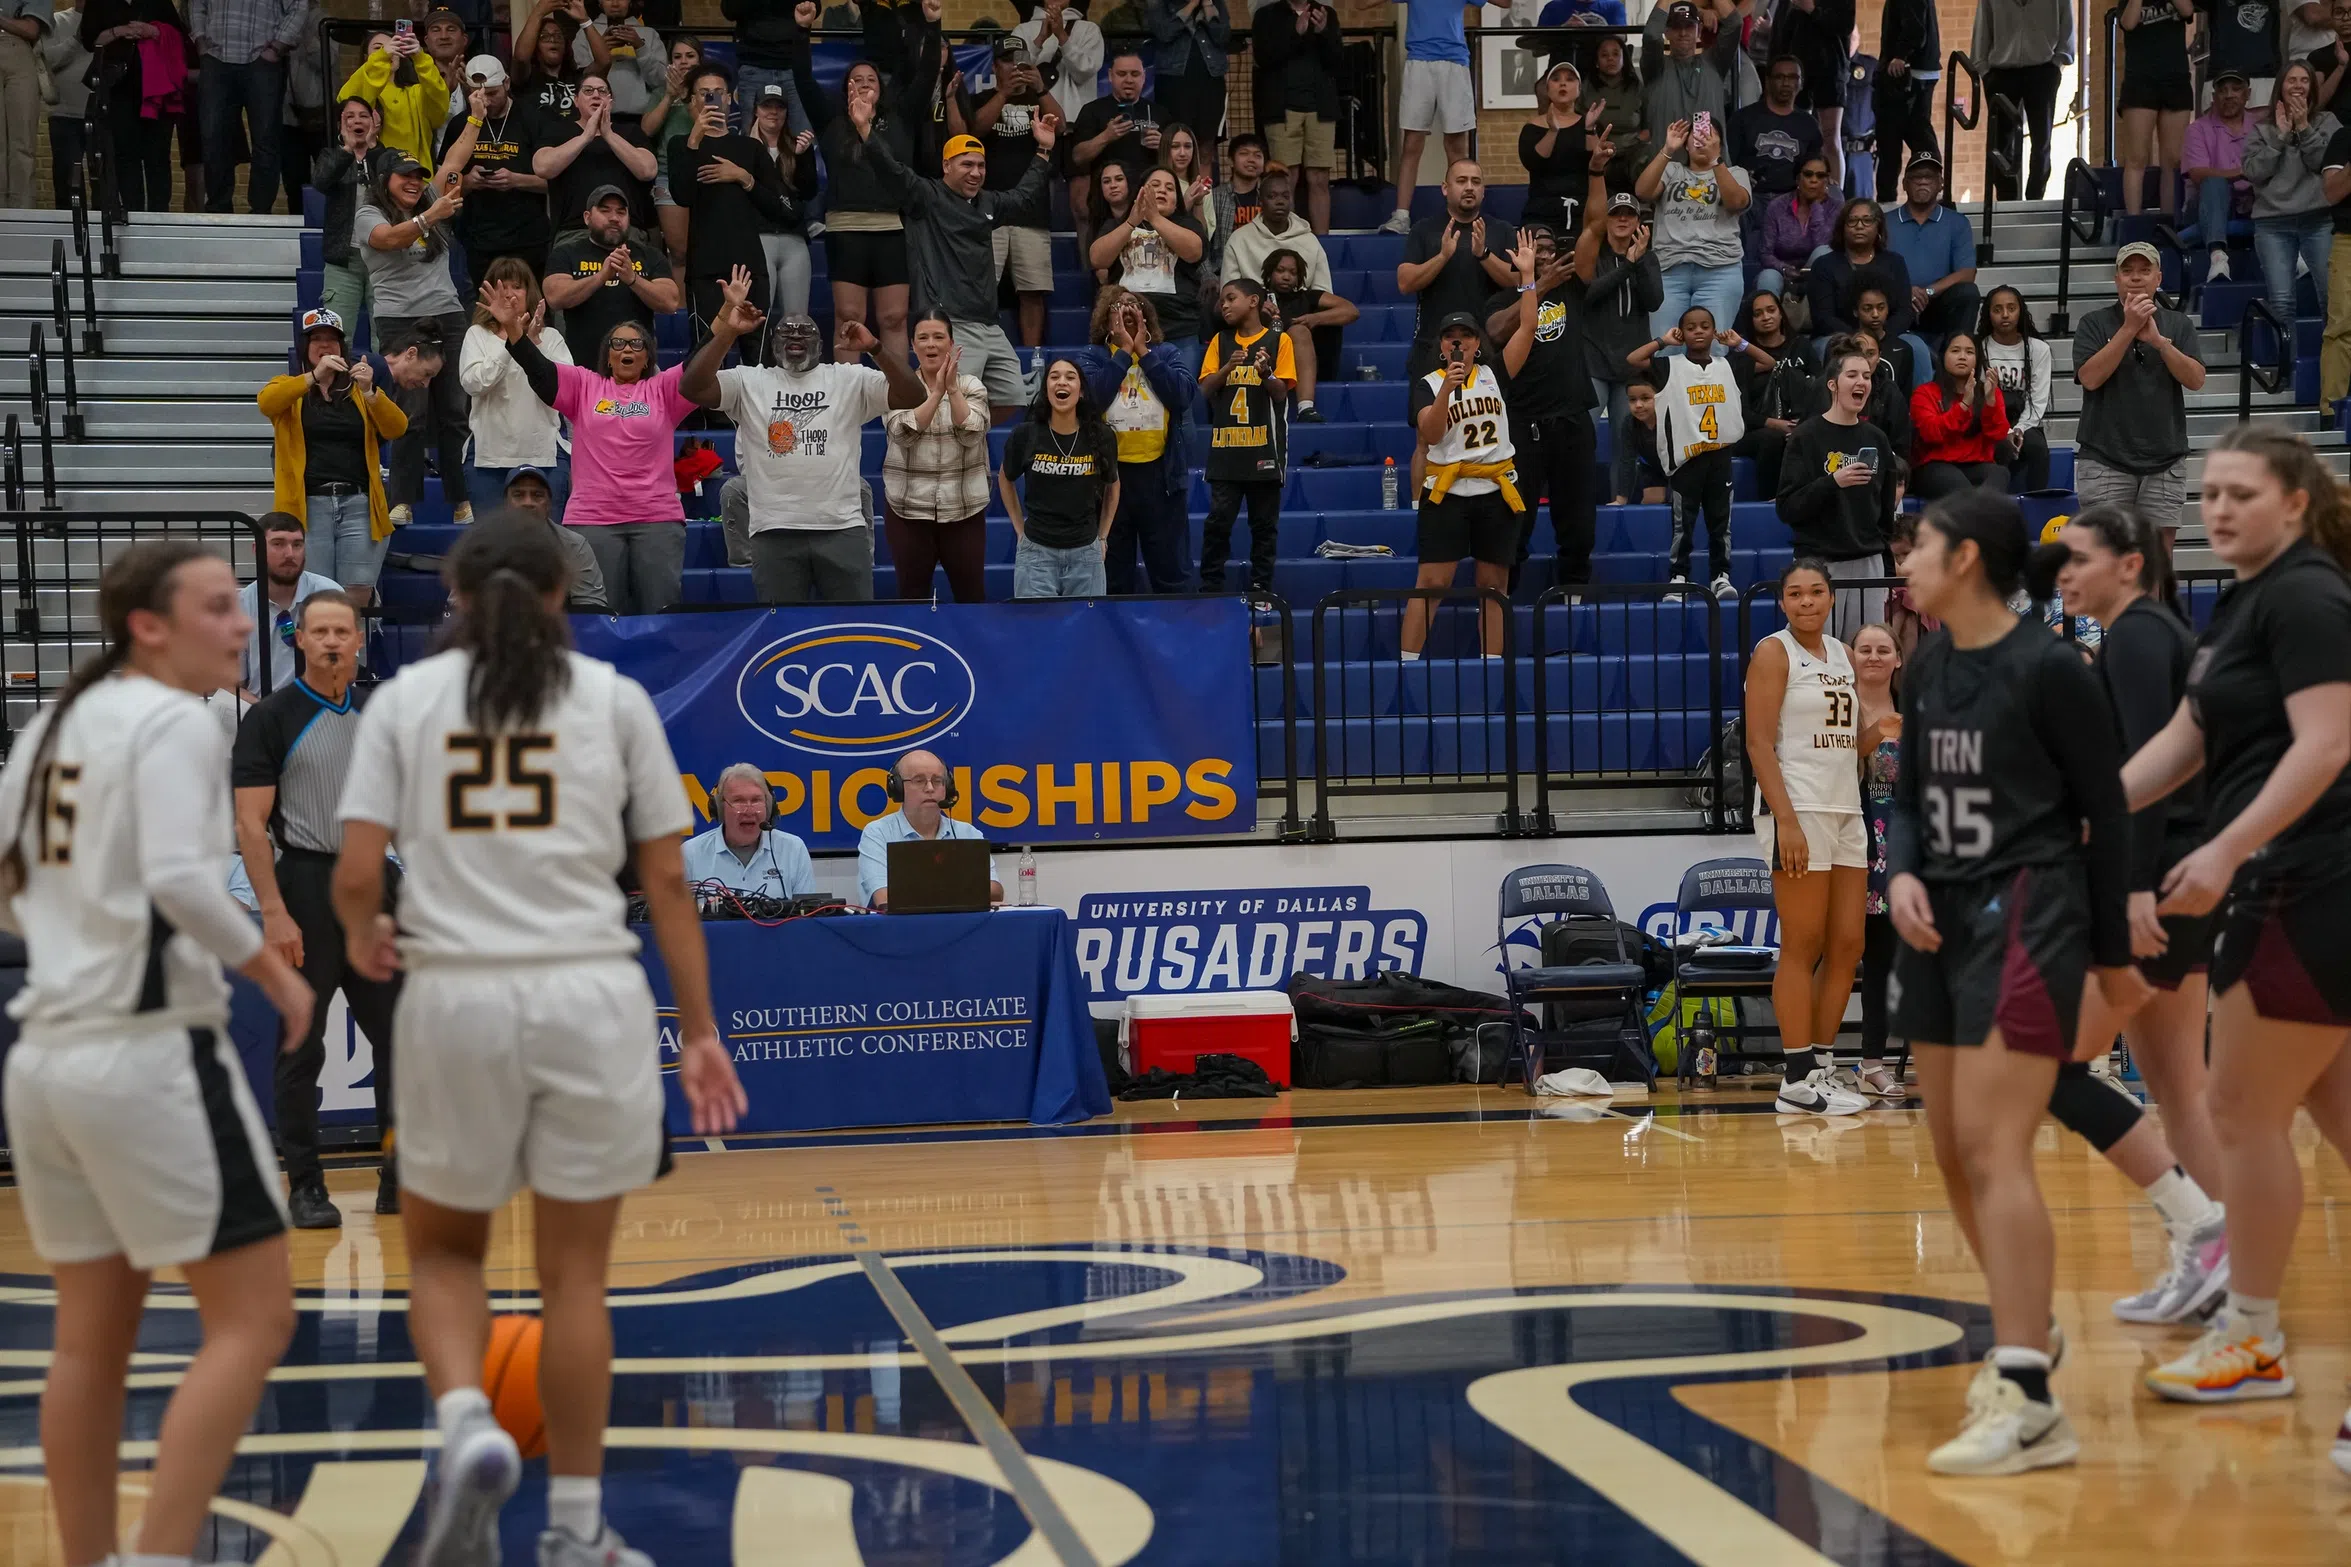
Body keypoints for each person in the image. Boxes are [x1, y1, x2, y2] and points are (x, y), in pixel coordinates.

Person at [331, 515, 744, 1565]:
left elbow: (353, 869)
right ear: (565, 590)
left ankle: (469, 1422)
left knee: (443, 1253)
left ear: (456, 598)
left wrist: (362, 931)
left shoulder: (404, 701)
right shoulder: (613, 702)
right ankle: (572, 1528)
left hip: (453, 996)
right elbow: (664, 882)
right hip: (585, 995)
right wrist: (699, 1031)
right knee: (573, 1283)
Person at [0, 544, 311, 1567]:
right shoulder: (176, 717)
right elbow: (183, 880)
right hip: (146, 1053)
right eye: (217, 607)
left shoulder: (48, 726)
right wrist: (272, 969)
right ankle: (165, 1553)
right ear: (149, 625)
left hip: (46, 1056)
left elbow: (10, 885)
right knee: (257, 1316)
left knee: (88, 1342)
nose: (237, 624)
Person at [1885, 490, 2135, 1475]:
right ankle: (2022, 1326)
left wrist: (2112, 964)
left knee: (1995, 1146)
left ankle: (2029, 1395)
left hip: (2029, 910)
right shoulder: (1930, 659)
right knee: (1950, 1150)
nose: (1902, 562)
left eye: (1919, 548)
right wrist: (1900, 868)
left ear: (1969, 561)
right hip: (1934, 916)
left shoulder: (2050, 669)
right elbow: (1906, 794)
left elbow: (2107, 817)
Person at [2116, 433, 2351, 1431]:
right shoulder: (2244, 601)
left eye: (2239, 493)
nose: (2215, 508)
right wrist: (2080, 813)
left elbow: (2330, 741)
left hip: (2307, 880)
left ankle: (2251, 1336)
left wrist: (2223, 849)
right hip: (2296, 880)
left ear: (2293, 503)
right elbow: (2188, 739)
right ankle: (2250, 1334)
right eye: (2206, 492)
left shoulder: (2304, 595)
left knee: (2238, 1110)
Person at [2048, 505, 2231, 1306]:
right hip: (2178, 874)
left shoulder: (2135, 636)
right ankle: (2222, 1263)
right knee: (2177, 1087)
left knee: (2053, 1066)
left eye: (2079, 558)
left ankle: (2203, 1234)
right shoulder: (2152, 632)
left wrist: (2124, 891)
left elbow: (2152, 778)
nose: (2065, 574)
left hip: (2154, 880)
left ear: (2128, 565)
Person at [228, 588, 401, 1229]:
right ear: (297, 639)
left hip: (377, 885)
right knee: (302, 1045)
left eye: (342, 631)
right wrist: (273, 912)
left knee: (400, 1040)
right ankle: (305, 1185)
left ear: (359, 640)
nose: (331, 641)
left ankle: (398, 1176)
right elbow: (250, 826)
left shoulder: (382, 713)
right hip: (304, 882)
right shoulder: (271, 717)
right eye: (319, 631)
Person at [685, 268, 925, 603]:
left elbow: (914, 396)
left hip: (842, 530)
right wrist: (728, 334)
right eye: (786, 331)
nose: (795, 335)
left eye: (805, 332)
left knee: (852, 630)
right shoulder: (749, 380)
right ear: (772, 343)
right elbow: (691, 387)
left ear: (821, 344)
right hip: (773, 532)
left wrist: (875, 348)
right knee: (781, 636)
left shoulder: (849, 378)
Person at [1745, 561, 1872, 1117]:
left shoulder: (1842, 653)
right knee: (1802, 941)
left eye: (1816, 592)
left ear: (1832, 598)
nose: (1806, 602)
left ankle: (1822, 1065)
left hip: (1846, 807)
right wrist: (1787, 820)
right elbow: (1756, 744)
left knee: (1847, 943)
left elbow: (1847, 744)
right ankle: (1795, 1078)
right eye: (1795, 593)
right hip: (1797, 809)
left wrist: (1881, 733)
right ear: (1782, 602)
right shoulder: (1773, 653)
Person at [492, 297, 692, 614]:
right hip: (593, 521)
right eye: (618, 344)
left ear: (647, 358)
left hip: (656, 519)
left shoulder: (664, 389)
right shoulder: (585, 385)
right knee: (598, 616)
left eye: (636, 344)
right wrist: (515, 333)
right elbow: (541, 372)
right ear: (608, 357)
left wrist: (724, 324)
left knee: (661, 616)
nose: (627, 349)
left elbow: (700, 365)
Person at [861, 121, 1056, 419]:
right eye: (966, 164)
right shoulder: (925, 197)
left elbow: (1024, 197)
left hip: (990, 324)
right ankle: (947, 458)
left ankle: (972, 443)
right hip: (950, 323)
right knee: (947, 404)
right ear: (946, 165)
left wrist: (1043, 150)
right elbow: (892, 170)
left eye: (981, 165)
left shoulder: (988, 201)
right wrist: (865, 131)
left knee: (1011, 395)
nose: (975, 172)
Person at [1404, 288, 1537, 660]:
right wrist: (1448, 385)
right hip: (1447, 492)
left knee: (1494, 586)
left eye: (1465, 335)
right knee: (1431, 584)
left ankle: (1491, 668)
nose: (1457, 341)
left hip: (1496, 490)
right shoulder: (1427, 384)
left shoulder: (1495, 373)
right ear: (1442, 346)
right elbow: (1430, 435)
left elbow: (1528, 325)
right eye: (1450, 336)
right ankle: (1406, 666)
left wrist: (1528, 278)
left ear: (1477, 343)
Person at [356, 129, 475, 530]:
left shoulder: (429, 199)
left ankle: (461, 498)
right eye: (404, 175)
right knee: (411, 412)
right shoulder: (368, 213)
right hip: (402, 318)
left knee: (455, 411)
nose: (414, 182)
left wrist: (475, 116)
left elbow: (456, 159)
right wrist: (429, 218)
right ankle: (404, 499)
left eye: (418, 175)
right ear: (384, 179)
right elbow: (388, 239)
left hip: (448, 314)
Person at [259, 307, 411, 609]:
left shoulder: (358, 390)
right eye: (316, 339)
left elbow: (397, 427)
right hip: (309, 507)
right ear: (305, 348)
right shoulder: (288, 389)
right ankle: (314, 657)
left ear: (343, 347)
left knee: (356, 597)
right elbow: (266, 402)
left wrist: (370, 392)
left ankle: (355, 658)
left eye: (332, 339)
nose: (325, 345)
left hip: (359, 505)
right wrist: (314, 377)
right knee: (316, 597)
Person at [1482, 222, 1600, 592]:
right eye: (1534, 246)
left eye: (1549, 246)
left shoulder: (1573, 288)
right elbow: (1497, 333)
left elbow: (1594, 226)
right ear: (1517, 257)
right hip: (1521, 423)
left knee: (1578, 518)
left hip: (1572, 418)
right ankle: (1506, 593)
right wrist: (1538, 286)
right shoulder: (1500, 300)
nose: (1544, 252)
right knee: (1517, 517)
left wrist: (1596, 171)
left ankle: (1574, 588)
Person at [2073, 241, 2206, 526]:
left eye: (2145, 270)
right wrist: (2129, 328)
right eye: (2127, 270)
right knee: (2106, 554)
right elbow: (2090, 378)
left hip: (2165, 461)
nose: (2135, 277)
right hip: (2105, 458)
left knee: (2158, 559)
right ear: (2116, 278)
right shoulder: (2092, 323)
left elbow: (2196, 380)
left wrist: (2159, 343)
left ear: (2158, 278)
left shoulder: (2179, 324)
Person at [1629, 304, 1757, 597]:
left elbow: (1768, 362)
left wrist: (1740, 344)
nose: (1698, 331)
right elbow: (1633, 359)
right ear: (1681, 333)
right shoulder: (1668, 365)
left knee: (1719, 522)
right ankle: (1679, 578)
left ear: (1714, 331)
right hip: (1686, 459)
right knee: (1682, 524)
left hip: (1720, 455)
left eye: (1704, 326)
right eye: (1690, 327)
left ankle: (1720, 576)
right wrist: (1663, 341)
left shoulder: (1727, 365)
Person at [1777, 335, 1898, 639]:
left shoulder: (1877, 439)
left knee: (1865, 653)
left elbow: (1886, 506)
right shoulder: (1806, 437)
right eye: (1853, 375)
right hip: (1819, 564)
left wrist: (1877, 546)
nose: (1862, 382)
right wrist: (1832, 482)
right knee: (1818, 655)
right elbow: (1788, 507)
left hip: (1867, 563)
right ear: (1832, 384)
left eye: (1867, 376)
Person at [670, 60, 791, 361]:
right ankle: (711, 413)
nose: (711, 99)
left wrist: (743, 177)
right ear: (693, 100)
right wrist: (695, 139)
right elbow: (682, 194)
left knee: (758, 358)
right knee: (707, 357)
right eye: (703, 93)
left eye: (717, 92)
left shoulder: (750, 149)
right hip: (705, 269)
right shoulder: (680, 145)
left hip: (750, 266)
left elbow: (781, 209)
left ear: (728, 99)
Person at [1080, 289, 1194, 594]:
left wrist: (1144, 352)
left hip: (1161, 477)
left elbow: (1182, 397)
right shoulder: (1092, 357)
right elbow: (1090, 403)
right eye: (1119, 305)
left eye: (1135, 305)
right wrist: (1122, 353)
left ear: (1147, 316)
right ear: (1106, 319)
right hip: (1110, 479)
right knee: (1113, 576)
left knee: (1171, 572)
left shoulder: (1166, 353)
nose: (1127, 309)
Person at [813, 59, 917, 373]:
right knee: (848, 315)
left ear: (881, 87)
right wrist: (802, 31)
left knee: (894, 317)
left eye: (871, 77)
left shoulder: (898, 121)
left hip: (891, 228)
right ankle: (847, 398)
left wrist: (932, 21)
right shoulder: (832, 122)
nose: (864, 82)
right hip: (845, 229)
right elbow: (803, 79)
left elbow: (924, 76)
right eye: (856, 78)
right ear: (846, 87)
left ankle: (897, 396)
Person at [882, 310, 993, 604]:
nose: (931, 344)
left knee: (972, 598)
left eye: (938, 337)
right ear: (912, 345)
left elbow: (972, 433)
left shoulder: (971, 386)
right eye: (923, 338)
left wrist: (952, 390)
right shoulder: (897, 386)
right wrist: (935, 394)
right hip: (908, 512)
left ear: (952, 343)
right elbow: (902, 434)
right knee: (911, 598)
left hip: (964, 510)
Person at [1197, 279, 1293, 595]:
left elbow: (1281, 394)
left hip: (1264, 448)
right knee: (1217, 523)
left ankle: (1260, 590)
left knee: (1264, 526)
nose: (1223, 305)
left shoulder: (1280, 341)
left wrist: (1266, 373)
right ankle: (1211, 586)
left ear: (1253, 301)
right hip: (1226, 449)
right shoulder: (1220, 341)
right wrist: (1227, 368)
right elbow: (1204, 389)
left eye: (1230, 298)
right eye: (1221, 301)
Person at [1000, 357, 1123, 598]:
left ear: (1081, 390)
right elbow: (1005, 479)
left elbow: (1113, 485)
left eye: (1070, 377)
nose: (1061, 382)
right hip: (1036, 552)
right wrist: (1019, 531)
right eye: (1054, 377)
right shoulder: (1025, 434)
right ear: (1046, 389)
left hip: (1086, 554)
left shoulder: (1101, 436)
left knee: (1084, 633)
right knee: (1037, 632)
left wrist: (1103, 537)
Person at [966, 40, 1056, 359]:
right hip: (989, 209)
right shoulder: (981, 99)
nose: (1014, 68)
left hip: (1032, 211)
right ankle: (979, 352)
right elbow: (974, 131)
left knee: (1033, 291)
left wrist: (1041, 88)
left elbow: (1061, 125)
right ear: (994, 67)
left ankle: (1032, 358)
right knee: (981, 290)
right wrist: (1003, 93)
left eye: (1021, 61)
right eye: (1007, 61)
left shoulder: (1038, 98)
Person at [463, 260, 573, 518]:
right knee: (492, 548)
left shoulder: (551, 338)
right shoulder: (477, 335)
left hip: (544, 455)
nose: (510, 293)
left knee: (546, 545)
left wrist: (531, 346)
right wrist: (515, 342)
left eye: (518, 286)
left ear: (530, 293)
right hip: (488, 458)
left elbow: (564, 389)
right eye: (503, 287)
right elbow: (474, 384)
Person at [436, 55, 555, 289]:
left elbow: (557, 182)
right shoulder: (461, 123)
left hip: (528, 236)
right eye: (478, 95)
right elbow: (444, 183)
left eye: (492, 93)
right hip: (480, 237)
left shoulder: (534, 117)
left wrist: (516, 180)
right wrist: (467, 182)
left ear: (507, 84)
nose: (486, 102)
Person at [1635, 115, 1750, 344]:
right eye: (1695, 135)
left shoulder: (1736, 172)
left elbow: (1736, 202)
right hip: (1669, 270)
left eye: (1708, 135)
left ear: (1720, 142)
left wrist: (1715, 161)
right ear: (1685, 143)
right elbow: (1643, 192)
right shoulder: (1671, 170)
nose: (1701, 140)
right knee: (1666, 350)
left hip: (1720, 270)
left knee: (1714, 349)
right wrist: (1667, 149)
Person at [1399, 160, 1519, 379]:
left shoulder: (1502, 230)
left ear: (1483, 191)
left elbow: (1516, 281)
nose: (1470, 187)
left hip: (1487, 346)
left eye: (1476, 182)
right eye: (1462, 181)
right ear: (1445, 188)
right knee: (1428, 413)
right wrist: (1443, 256)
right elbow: (1405, 282)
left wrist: (1483, 254)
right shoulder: (1424, 229)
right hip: (1433, 345)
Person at [1851, 620, 1906, 1097]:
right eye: (1864, 648)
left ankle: (1875, 1061)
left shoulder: (1915, 710)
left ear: (1897, 659)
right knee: (1857, 958)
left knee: (1892, 962)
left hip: (1907, 850)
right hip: (1855, 845)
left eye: (1882, 649)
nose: (1873, 656)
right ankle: (1825, 1063)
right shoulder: (1840, 709)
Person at [2242, 61, 2338, 334]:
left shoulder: (2328, 122)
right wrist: (2281, 136)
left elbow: (2328, 165)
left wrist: (2305, 129)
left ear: (2312, 88)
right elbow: (2253, 172)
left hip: (2318, 219)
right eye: (2291, 80)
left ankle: (2338, 370)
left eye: (2304, 80)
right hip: (2273, 225)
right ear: (2280, 88)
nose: (2298, 86)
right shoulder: (2262, 129)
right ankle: (2286, 375)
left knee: (2332, 299)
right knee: (2282, 303)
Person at [1579, 189, 1662, 505]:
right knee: (1583, 437)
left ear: (1639, 221)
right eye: (1616, 214)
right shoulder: (1593, 254)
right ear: (1607, 220)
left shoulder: (1647, 257)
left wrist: (1638, 263)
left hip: (1630, 365)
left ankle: (1619, 500)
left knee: (1622, 440)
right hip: (1595, 359)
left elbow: (1655, 300)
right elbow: (1587, 296)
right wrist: (1627, 265)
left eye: (1630, 214)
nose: (1623, 219)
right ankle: (1579, 502)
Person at [543, 184, 681, 363]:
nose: (614, 218)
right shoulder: (566, 253)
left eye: (621, 212)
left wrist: (633, 279)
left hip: (637, 367)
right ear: (587, 217)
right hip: (582, 366)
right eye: (605, 211)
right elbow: (555, 297)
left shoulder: (649, 255)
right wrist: (601, 276)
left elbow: (671, 302)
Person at [189, 0, 300, 213]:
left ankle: (260, 211)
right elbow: (196, 4)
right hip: (215, 58)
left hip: (263, 60)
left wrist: (277, 47)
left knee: (266, 139)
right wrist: (201, 41)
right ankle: (219, 209)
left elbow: (298, 7)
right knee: (213, 137)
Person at [857, 749, 999, 907]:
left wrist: (918, 890)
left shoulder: (968, 833)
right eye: (919, 780)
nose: (930, 788)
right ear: (897, 787)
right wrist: (961, 889)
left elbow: (995, 890)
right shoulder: (878, 833)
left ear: (948, 788)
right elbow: (884, 898)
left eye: (937, 780)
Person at [1381, 0, 1476, 234]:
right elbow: (1362, 6)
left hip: (1455, 62)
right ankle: (1401, 216)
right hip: (1419, 62)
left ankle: (1462, 215)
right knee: (1411, 143)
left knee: (1457, 147)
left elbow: (1505, 3)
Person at [1092, 164, 1210, 349]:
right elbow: (1097, 259)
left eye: (1170, 188)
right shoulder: (1117, 224)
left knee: (1180, 379)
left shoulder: (1187, 224)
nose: (1162, 190)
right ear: (1140, 192)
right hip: (1126, 327)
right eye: (1155, 185)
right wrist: (1132, 222)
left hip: (1179, 327)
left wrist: (1155, 218)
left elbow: (1194, 252)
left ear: (1176, 200)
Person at [534, 70, 658, 239]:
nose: (596, 95)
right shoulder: (558, 130)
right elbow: (542, 168)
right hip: (574, 230)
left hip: (625, 231)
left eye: (602, 91)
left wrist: (608, 134)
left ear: (611, 102)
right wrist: (586, 136)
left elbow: (648, 171)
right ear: (576, 101)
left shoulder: (630, 132)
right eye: (588, 90)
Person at [1972, 0, 2072, 200]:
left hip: (2043, 69)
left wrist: (2058, 62)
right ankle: (2006, 198)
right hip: (2001, 72)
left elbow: (2067, 25)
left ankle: (2035, 197)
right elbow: (1983, 27)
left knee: (2041, 139)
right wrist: (1983, 69)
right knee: (2000, 142)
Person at [1253, 0, 1339, 232]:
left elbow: (1336, 60)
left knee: (1319, 178)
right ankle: (1287, 240)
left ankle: (1322, 243)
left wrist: (1323, 33)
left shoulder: (1326, 13)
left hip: (1320, 107)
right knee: (1285, 179)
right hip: (1282, 109)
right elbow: (1263, 57)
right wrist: (1295, 33)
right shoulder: (1266, 15)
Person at [1068, 47, 1160, 261]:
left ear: (1144, 77)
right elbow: (1078, 156)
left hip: (1146, 200)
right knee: (1103, 267)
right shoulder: (1092, 111)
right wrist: (1106, 136)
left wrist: (1163, 144)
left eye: (1135, 74)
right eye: (1122, 74)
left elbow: (1178, 158)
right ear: (1110, 76)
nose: (1129, 79)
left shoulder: (1157, 112)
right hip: (1105, 201)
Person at [314, 99, 393, 341]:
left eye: (363, 116)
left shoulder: (388, 157)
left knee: (385, 337)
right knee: (338, 336)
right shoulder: (331, 155)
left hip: (383, 260)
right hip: (343, 260)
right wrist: (347, 150)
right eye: (349, 116)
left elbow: (392, 193)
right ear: (341, 124)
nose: (356, 121)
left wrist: (371, 149)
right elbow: (321, 181)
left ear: (374, 122)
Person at [239, 512, 341, 698]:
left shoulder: (329, 594)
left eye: (297, 545)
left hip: (319, 708)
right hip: (261, 711)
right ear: (256, 549)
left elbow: (344, 673)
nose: (290, 554)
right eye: (278, 544)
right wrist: (266, 715)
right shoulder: (240, 605)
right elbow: (232, 685)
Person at [1882, 155, 1978, 348]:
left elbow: (1967, 273)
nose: (1923, 181)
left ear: (1940, 183)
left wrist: (1928, 291)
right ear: (1905, 184)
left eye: (1930, 176)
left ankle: (1957, 359)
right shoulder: (1884, 222)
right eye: (1917, 177)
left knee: (1968, 293)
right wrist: (1904, 292)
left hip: (1937, 304)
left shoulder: (1957, 222)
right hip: (1895, 303)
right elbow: (1874, 267)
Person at [682, 762, 818, 896]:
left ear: (768, 806)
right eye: (738, 801)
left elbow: (807, 916)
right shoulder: (691, 854)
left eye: (756, 800)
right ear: (720, 808)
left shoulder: (793, 849)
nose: (749, 811)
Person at [1731, 288, 1814, 499]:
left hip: (1798, 420)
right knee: (1773, 439)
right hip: (1753, 430)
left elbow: (1820, 386)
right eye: (1758, 313)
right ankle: (1770, 501)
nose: (1766, 317)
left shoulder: (1801, 346)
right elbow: (1738, 411)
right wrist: (1774, 423)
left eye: (1771, 310)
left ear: (1780, 313)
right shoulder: (1742, 357)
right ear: (1750, 320)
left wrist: (1802, 423)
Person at [1909, 331, 2011, 499]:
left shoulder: (1989, 391)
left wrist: (1991, 403)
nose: (1962, 356)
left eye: (1969, 352)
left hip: (1977, 464)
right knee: (1963, 490)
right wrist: (1964, 405)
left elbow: (1998, 435)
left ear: (1977, 359)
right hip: (1935, 466)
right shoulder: (1925, 393)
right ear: (1943, 356)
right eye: (1955, 351)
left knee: (2000, 473)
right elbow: (1931, 433)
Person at [1809, 196, 1923, 346]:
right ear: (1842, 227)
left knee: (1917, 347)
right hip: (1837, 338)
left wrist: (1882, 336)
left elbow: (1904, 311)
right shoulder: (1824, 265)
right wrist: (1859, 338)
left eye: (1867, 220)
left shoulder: (1894, 262)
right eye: (1852, 221)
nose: (1859, 226)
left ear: (1878, 227)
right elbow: (1823, 317)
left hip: (1887, 335)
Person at [335, 24, 450, 171]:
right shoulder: (359, 87)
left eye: (393, 47)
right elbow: (346, 103)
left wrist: (420, 57)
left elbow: (439, 108)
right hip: (375, 181)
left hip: (416, 179)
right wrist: (382, 57)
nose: (388, 52)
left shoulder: (417, 92)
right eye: (378, 48)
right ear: (366, 58)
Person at [1643, 2, 1743, 170]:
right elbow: (1651, 35)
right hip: (1666, 175)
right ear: (1666, 31)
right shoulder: (1656, 67)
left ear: (1699, 29)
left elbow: (1735, 23)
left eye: (1689, 27)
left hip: (1712, 175)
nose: (1683, 33)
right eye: (1675, 27)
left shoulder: (1714, 63)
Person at [2118, 0, 2195, 214]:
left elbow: (2187, 10)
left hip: (2175, 79)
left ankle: (2168, 222)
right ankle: (2134, 223)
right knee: (2137, 157)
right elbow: (2128, 23)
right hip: (2140, 81)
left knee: (2172, 159)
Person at [1266, 247, 1356, 424]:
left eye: (1293, 272)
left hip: (1302, 360)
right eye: (1280, 270)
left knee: (1299, 331)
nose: (1286, 276)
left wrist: (1315, 318)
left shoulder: (1309, 297)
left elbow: (1351, 311)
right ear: (1269, 272)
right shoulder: (1257, 296)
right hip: (1266, 360)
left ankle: (1305, 408)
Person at [1767, 0, 1852, 189]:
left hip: (1831, 68)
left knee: (1830, 139)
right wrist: (1772, 69)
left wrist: (1813, 10)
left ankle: (1835, 201)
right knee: (1792, 137)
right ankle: (1793, 194)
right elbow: (1780, 30)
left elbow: (1845, 25)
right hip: (1796, 68)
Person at [1976, 286, 2053, 493]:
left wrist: (2018, 429)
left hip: (2025, 419)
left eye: (2011, 308)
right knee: (2000, 447)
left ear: (2021, 311)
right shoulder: (1979, 348)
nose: (2005, 315)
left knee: (2037, 448)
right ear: (1988, 314)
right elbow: (1981, 399)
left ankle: (2037, 507)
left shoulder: (2039, 349)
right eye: (1997, 309)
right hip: (1990, 419)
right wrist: (2006, 431)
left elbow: (2038, 400)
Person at [2185, 69, 2255, 277]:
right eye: (2222, 90)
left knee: (2272, 183)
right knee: (2214, 183)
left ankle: (2294, 253)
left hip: (2254, 200)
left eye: (2236, 89)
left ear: (2247, 94)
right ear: (2214, 97)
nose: (2229, 95)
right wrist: (2241, 173)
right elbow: (2198, 174)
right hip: (2207, 202)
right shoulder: (2197, 128)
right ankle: (2218, 258)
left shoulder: (2261, 126)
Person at [1222, 166, 1330, 293]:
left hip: (1301, 311)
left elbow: (1324, 293)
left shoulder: (1310, 241)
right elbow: (1229, 294)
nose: (1280, 202)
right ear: (1260, 200)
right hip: (1253, 309)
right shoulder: (1239, 239)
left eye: (1285, 196)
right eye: (1272, 196)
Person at [1733, 55, 1824, 203]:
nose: (1786, 83)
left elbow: (1815, 167)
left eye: (1793, 77)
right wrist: (1739, 179)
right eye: (1779, 77)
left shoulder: (1809, 124)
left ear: (1801, 83)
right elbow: (1726, 162)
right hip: (1751, 197)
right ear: (1767, 82)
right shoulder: (1743, 119)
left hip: (1791, 199)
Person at [1874, 0, 1941, 202]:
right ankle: (1930, 188)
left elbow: (1915, 28)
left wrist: (1900, 55)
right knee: (1917, 134)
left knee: (1891, 140)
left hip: (1909, 74)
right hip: (1919, 71)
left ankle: (1888, 200)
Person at [1519, 58, 1593, 234]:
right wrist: (1553, 131)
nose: (1563, 84)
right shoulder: (1532, 128)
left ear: (1579, 89)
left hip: (1583, 210)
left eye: (1569, 79)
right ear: (1547, 89)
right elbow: (1534, 163)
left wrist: (1590, 129)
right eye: (1556, 79)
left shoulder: (1590, 122)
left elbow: (1597, 164)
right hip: (1541, 210)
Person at [1144, 0, 1227, 152]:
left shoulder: (1215, 2)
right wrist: (1193, 4)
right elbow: (1164, 32)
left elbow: (1223, 36)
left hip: (1211, 78)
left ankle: (1203, 177)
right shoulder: (1159, 3)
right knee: (1175, 142)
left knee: (1206, 145)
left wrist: (1208, 6)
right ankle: (1175, 177)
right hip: (1173, 80)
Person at [1757, 152, 1837, 302]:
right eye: (1808, 174)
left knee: (1823, 251)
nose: (1814, 180)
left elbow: (1824, 247)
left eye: (1820, 176)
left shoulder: (1836, 208)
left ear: (1827, 180)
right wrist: (1784, 268)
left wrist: (1817, 207)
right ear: (1797, 178)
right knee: (1767, 277)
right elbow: (1765, 253)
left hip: (1819, 274)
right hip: (1782, 272)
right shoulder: (1777, 206)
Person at [1014, 0, 1105, 126]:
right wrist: (1040, 39)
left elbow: (1084, 72)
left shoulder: (1089, 29)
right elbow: (1015, 71)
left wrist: (1062, 37)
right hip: (1030, 121)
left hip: (1077, 121)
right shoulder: (1022, 30)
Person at [42, 2, 94, 209]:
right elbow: (47, 62)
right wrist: (77, 39)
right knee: (66, 183)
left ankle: (103, 233)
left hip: (100, 114)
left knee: (104, 181)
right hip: (64, 113)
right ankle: (68, 234)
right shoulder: (56, 21)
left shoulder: (109, 22)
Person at [575, 0, 661, 117]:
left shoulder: (650, 34)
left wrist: (640, 47)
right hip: (594, 114)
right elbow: (579, 81)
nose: (615, 3)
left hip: (641, 117)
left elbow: (660, 83)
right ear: (600, 2)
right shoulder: (584, 34)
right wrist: (600, 50)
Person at [512, 0, 585, 121]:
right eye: (544, 36)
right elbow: (521, 57)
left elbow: (604, 62)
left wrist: (585, 21)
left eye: (558, 36)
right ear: (535, 45)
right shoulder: (528, 78)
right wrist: (538, 12)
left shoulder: (576, 78)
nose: (552, 40)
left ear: (566, 45)